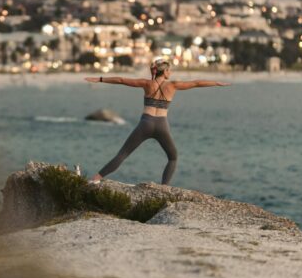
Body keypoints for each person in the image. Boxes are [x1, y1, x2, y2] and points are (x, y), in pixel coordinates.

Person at [84, 59, 231, 185]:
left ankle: (96, 179)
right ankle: (164, 188)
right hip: (162, 125)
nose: (170, 73)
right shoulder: (173, 85)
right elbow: (197, 83)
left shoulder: (147, 84)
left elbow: (122, 80)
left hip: (145, 123)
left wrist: (100, 79)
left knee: (122, 154)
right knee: (173, 157)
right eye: (169, 70)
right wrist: (216, 83)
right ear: (165, 71)